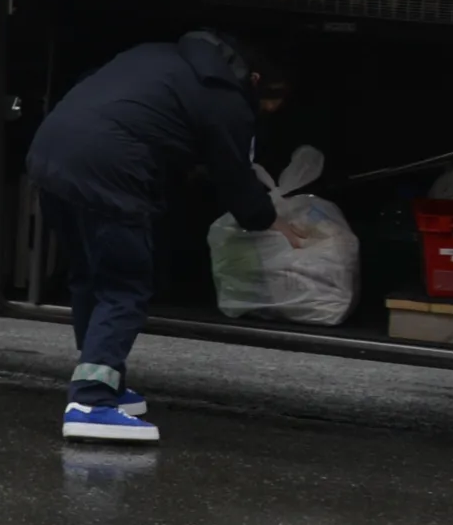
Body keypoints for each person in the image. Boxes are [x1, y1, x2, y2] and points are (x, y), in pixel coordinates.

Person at [24, 29, 289, 445]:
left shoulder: (155, 54)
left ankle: (101, 381)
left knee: (88, 277)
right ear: (253, 81)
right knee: (124, 287)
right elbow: (234, 176)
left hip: (50, 154)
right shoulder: (225, 95)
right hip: (109, 167)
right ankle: (91, 402)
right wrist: (268, 220)